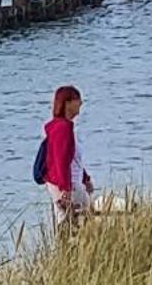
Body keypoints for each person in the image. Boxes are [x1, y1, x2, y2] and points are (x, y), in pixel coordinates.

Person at [44, 84, 94, 226]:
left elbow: (71, 159)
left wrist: (85, 178)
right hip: (67, 185)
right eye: (77, 99)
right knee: (75, 223)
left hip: (68, 183)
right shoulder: (63, 128)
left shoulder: (63, 127)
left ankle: (67, 246)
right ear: (67, 103)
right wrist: (65, 188)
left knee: (69, 221)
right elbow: (61, 161)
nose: (81, 103)